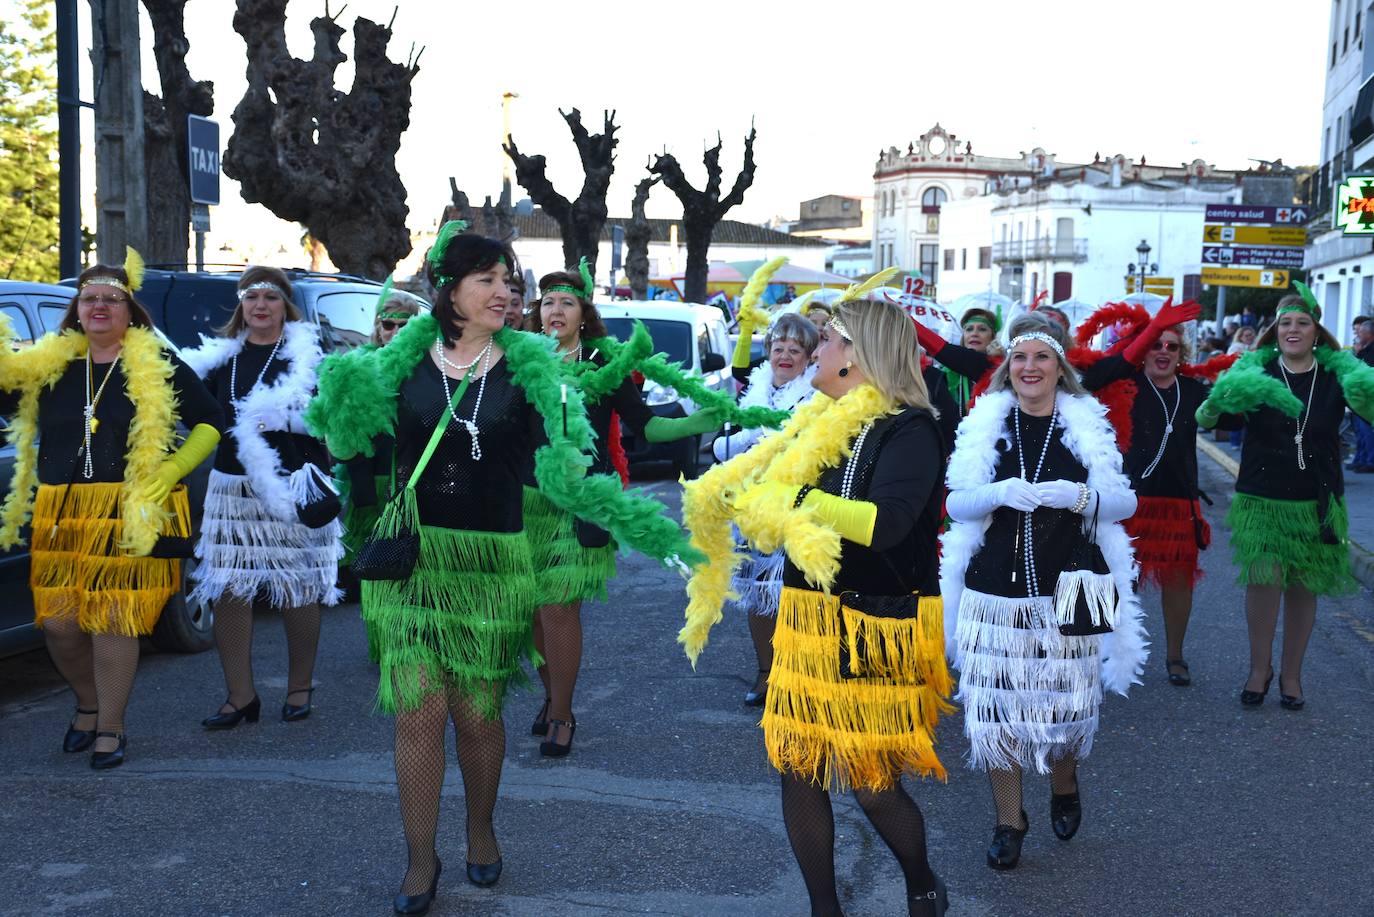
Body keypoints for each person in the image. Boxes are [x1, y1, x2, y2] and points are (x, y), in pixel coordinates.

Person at [306, 223, 700, 911]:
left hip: (493, 564)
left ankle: (480, 827)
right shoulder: (401, 359)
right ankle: (420, 858)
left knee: (477, 713)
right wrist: (340, 415)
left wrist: (603, 507)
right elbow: (352, 449)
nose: (505, 292)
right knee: (417, 711)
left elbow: (563, 461)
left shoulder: (530, 369)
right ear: (449, 289)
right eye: (487, 279)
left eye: (509, 281)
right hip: (415, 562)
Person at [680, 297, 954, 916]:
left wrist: (794, 498)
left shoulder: (910, 428)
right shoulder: (813, 419)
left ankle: (920, 880)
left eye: (828, 340)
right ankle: (824, 908)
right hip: (807, 618)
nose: (816, 349)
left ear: (857, 356)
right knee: (798, 766)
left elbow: (884, 525)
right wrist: (739, 498)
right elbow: (767, 491)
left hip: (876, 622)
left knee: (872, 782)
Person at [941, 311, 1147, 871]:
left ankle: (1064, 782)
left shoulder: (1086, 427)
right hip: (992, 599)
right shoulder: (986, 424)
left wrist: (1077, 498)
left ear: (1060, 367)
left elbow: (1125, 504)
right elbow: (955, 504)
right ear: (1007, 366)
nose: (1029, 367)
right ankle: (1009, 821)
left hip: (1070, 594)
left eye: (1041, 357)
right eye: (1020, 357)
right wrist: (997, 493)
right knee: (995, 716)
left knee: (1067, 712)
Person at [0, 256, 223, 768]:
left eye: (111, 299)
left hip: (128, 511)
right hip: (62, 514)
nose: (99, 306)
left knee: (113, 622)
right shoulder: (47, 364)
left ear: (129, 310)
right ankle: (88, 702)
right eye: (90, 298)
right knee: (59, 625)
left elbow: (211, 419)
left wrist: (173, 469)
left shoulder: (156, 363)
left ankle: (110, 726)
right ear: (77, 309)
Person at [522, 260, 723, 757]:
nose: (556, 310)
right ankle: (551, 695)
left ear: (584, 314)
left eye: (567, 302)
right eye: (548, 302)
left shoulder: (605, 365)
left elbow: (646, 424)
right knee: (531, 614)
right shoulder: (519, 360)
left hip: (586, 502)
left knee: (559, 606)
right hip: (527, 503)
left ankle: (563, 714)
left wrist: (693, 422)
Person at [1197, 286, 1374, 710]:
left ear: (1317, 331)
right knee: (1264, 579)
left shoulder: (1337, 376)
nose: (1293, 329)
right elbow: (1211, 418)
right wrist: (1220, 398)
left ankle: (1291, 676)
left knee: (1302, 586)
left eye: (1302, 322)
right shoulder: (1254, 373)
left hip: (1317, 499)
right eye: (1285, 323)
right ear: (1275, 331)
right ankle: (1259, 670)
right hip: (1262, 497)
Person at [182, 266, 342, 730]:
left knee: (297, 588)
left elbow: (334, 422)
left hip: (291, 488)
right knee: (230, 590)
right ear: (241, 305)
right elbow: (194, 414)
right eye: (251, 297)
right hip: (231, 490)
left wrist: (286, 421)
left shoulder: (309, 357)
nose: (260, 305)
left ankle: (299, 687)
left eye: (270, 297)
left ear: (285, 306)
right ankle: (240, 696)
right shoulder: (220, 361)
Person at [1079, 319, 1235, 687]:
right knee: (1119, 580)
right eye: (1156, 345)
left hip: (1178, 499)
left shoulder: (1194, 390)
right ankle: (1110, 654)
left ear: (1182, 354)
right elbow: (1086, 383)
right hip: (1128, 500)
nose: (1164, 352)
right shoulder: (1124, 385)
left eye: (1172, 347)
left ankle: (1175, 656)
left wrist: (1237, 386)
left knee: (1178, 580)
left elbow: (1232, 420)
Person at [715, 311, 820, 706]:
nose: (785, 356)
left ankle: (798, 677)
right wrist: (743, 439)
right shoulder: (753, 393)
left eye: (795, 350)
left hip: (797, 507)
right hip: (754, 510)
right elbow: (723, 448)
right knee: (759, 597)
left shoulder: (816, 397)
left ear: (809, 357)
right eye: (779, 348)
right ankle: (766, 672)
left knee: (795, 598)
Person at [1348, 319, 1374, 472]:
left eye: (1361, 332)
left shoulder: (1370, 350)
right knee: (1359, 430)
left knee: (1366, 429)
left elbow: (1364, 368)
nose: (1358, 335)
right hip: (1360, 395)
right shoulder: (1365, 349)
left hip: (1367, 396)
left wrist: (1358, 353)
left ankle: (1370, 461)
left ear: (1369, 334)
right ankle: (1361, 458)